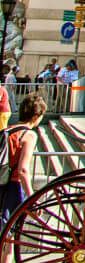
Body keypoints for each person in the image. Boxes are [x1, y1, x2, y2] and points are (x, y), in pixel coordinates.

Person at [1, 95, 47, 228]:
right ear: (35, 116)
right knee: (10, 228)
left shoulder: (7, 130)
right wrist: (31, 195)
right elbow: (23, 169)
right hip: (14, 184)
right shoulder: (29, 135)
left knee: (5, 227)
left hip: (2, 181)